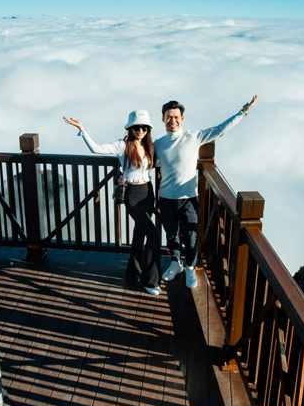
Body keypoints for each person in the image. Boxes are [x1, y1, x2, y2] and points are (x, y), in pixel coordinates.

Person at [155, 96, 257, 289]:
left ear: (182, 119)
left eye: (176, 117)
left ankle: (190, 267)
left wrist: (242, 112)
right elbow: (142, 158)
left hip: (188, 198)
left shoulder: (194, 137)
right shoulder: (158, 144)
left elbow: (220, 130)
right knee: (171, 235)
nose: (173, 121)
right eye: (169, 117)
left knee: (190, 236)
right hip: (167, 198)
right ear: (162, 119)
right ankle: (175, 263)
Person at [62, 110, 162, 295]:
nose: (140, 130)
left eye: (144, 127)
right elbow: (96, 149)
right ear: (130, 128)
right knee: (154, 236)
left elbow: (157, 163)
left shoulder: (150, 146)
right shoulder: (122, 145)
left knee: (140, 233)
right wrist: (82, 129)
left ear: (148, 129)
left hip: (147, 192)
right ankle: (150, 280)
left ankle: (134, 270)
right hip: (132, 195)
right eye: (136, 127)